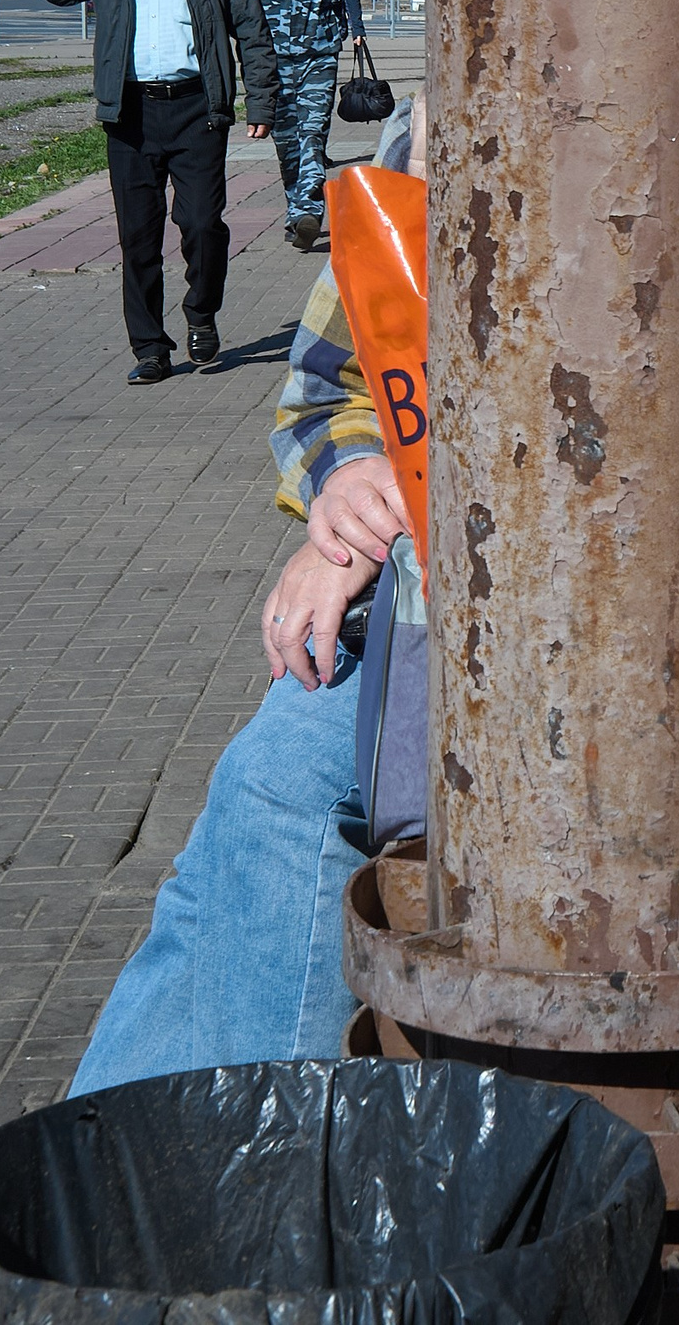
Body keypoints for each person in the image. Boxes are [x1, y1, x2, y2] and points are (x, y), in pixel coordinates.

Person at [70, 249, 405, 1094]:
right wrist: (357, 495)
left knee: (281, 791)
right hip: (422, 585)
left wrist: (390, 532)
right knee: (226, 847)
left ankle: (259, 1159)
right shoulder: (408, 179)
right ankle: (100, 1155)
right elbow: (328, 390)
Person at [46, 0, 279, 385]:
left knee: (202, 225)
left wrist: (261, 98)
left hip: (197, 108)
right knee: (139, 237)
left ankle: (201, 313)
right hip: (130, 113)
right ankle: (150, 347)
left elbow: (250, 23)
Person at [244, 0, 370, 251]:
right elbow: (239, 1)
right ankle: (296, 212)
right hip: (274, 61)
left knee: (312, 135)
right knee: (287, 143)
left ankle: (308, 213)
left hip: (319, 56)